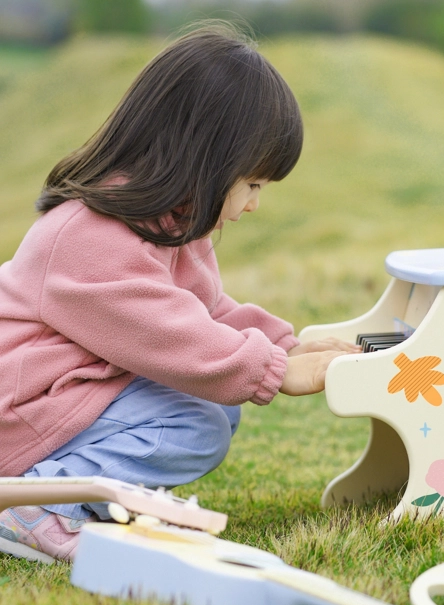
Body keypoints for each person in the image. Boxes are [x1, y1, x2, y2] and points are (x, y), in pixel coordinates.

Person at [0, 23, 359, 562]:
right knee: (195, 423)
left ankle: (86, 496)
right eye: (254, 184)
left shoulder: (167, 223)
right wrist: (274, 371)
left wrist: (280, 346)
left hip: (66, 396)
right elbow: (167, 334)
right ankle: (37, 506)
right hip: (23, 414)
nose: (256, 203)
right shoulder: (86, 235)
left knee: (214, 405)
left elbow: (203, 312)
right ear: (208, 159)